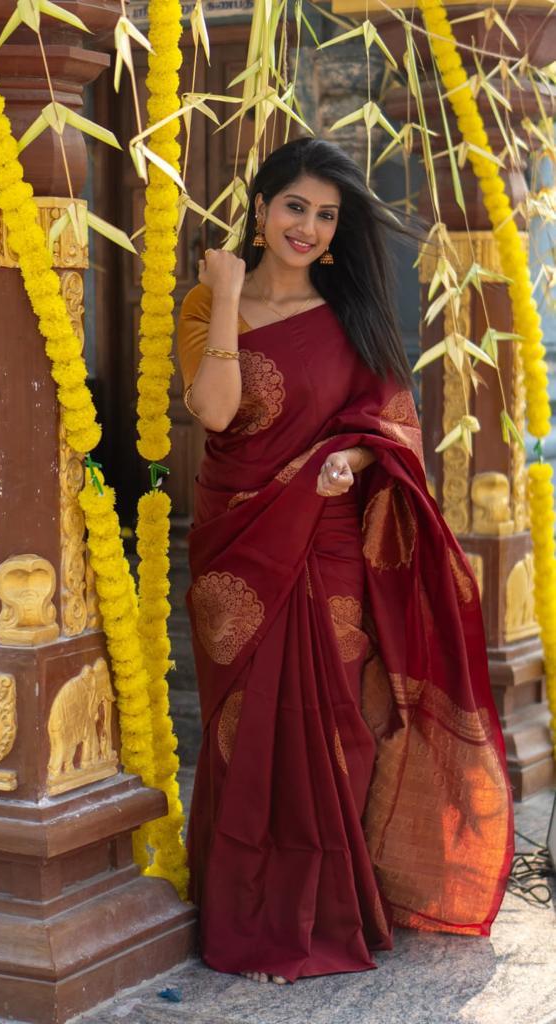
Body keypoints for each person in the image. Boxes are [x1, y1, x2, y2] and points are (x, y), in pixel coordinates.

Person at [176, 137, 514, 985]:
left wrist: (352, 462)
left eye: (326, 216)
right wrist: (222, 295)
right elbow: (214, 414)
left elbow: (391, 425)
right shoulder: (206, 303)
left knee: (336, 726)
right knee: (241, 732)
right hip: (238, 542)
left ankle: (326, 914)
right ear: (261, 208)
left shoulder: (351, 313)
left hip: (326, 540)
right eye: (296, 206)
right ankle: (248, 924)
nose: (310, 227)